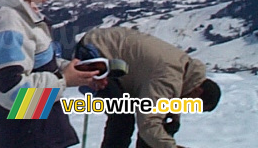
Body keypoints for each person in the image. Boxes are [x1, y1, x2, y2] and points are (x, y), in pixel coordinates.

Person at [0, 0, 100, 148]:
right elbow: (13, 95)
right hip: (28, 138)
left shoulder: (24, 14)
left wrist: (77, 72)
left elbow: (36, 65)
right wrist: (63, 80)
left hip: (40, 135)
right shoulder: (9, 23)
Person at [75, 27, 222, 148]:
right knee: (122, 117)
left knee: (161, 122)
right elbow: (148, 123)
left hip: (109, 48)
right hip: (97, 52)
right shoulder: (168, 78)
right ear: (198, 91)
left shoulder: (184, 70)